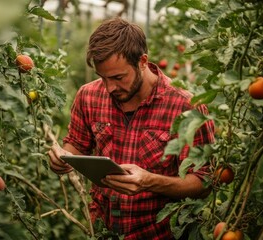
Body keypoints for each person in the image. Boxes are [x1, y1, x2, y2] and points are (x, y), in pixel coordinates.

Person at [48, 17, 215, 239]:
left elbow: (204, 182)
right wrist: (63, 156)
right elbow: (77, 144)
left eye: (118, 77)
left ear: (142, 61)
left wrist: (150, 181)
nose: (109, 88)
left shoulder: (184, 107)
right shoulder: (88, 96)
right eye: (103, 78)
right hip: (104, 231)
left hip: (159, 234)